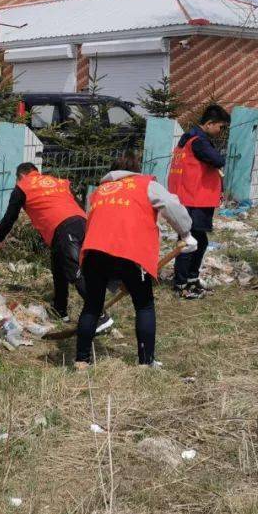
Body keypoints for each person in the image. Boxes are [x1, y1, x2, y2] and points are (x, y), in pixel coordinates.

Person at [75, 155, 195, 368]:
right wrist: (185, 233)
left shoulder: (99, 191)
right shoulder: (146, 184)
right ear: (136, 170)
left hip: (94, 251)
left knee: (92, 306)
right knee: (144, 304)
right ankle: (146, 361)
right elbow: (170, 204)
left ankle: (81, 360)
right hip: (129, 251)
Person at [0, 163, 111, 330]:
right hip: (81, 222)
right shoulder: (57, 181)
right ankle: (60, 309)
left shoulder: (23, 186)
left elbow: (11, 215)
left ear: (20, 176)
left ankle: (100, 314)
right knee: (58, 267)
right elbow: (76, 202)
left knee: (75, 272)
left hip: (63, 228)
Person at [168, 104, 230, 299]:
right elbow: (218, 160)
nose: (221, 132)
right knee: (191, 242)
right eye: (220, 127)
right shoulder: (199, 142)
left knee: (198, 241)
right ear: (209, 124)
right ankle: (181, 284)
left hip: (188, 198)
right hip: (194, 200)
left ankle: (191, 280)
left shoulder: (187, 140)